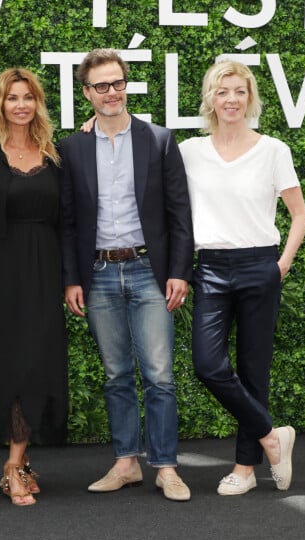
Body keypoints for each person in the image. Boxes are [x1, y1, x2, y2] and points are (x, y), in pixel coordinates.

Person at [60, 49, 194, 501]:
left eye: (118, 83)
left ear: (126, 85)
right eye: (102, 85)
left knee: (159, 375)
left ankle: (166, 467)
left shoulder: (158, 139)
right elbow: (69, 220)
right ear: (87, 93)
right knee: (116, 374)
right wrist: (71, 278)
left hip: (149, 272)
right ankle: (125, 463)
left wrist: (179, 271)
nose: (112, 92)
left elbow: (180, 214)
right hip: (97, 274)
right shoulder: (72, 146)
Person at [179, 60, 305, 496]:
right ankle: (273, 435)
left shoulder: (273, 150)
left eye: (238, 91)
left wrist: (282, 264)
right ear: (210, 99)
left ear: (250, 97)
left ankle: (245, 469)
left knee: (255, 371)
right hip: (211, 269)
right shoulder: (189, 151)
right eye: (222, 91)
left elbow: (299, 215)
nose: (231, 99)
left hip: (260, 265)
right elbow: (141, 152)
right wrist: (93, 122)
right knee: (207, 365)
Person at [0, 68, 68, 506]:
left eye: (28, 97)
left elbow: (67, 217)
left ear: (38, 103)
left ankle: (17, 463)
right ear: (0, 104)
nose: (20, 104)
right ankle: (12, 466)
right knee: (8, 364)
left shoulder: (55, 154)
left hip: (44, 268)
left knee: (37, 363)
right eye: (11, 97)